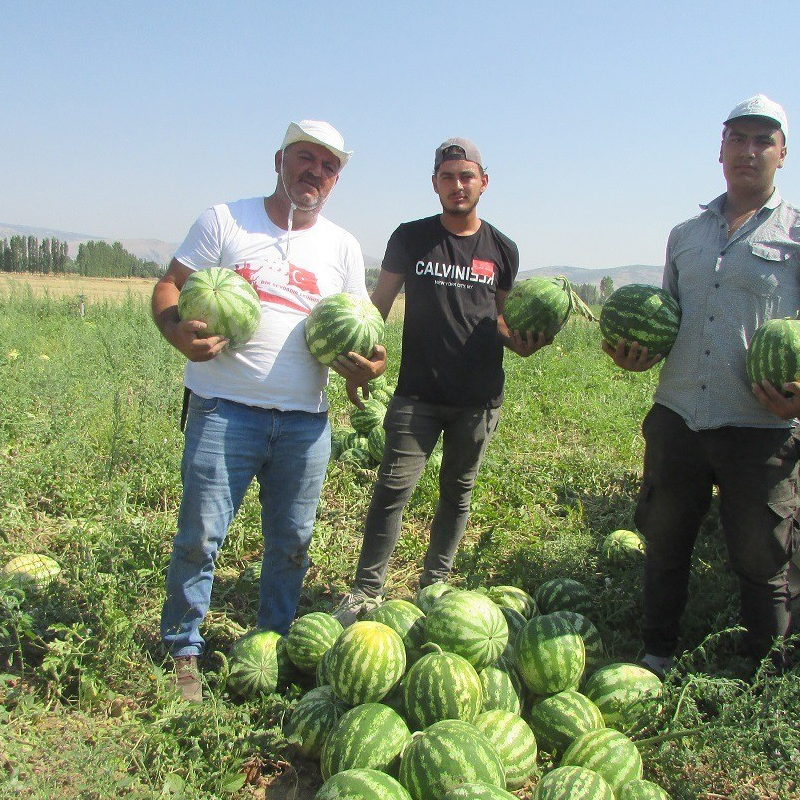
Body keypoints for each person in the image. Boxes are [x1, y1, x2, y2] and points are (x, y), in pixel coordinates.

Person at [604, 95, 800, 675]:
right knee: (665, 542)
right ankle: (658, 651)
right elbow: (665, 320)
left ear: (782, 154)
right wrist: (637, 358)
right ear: (720, 150)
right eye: (738, 139)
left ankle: (762, 670)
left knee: (761, 557)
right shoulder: (685, 235)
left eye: (762, 141)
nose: (749, 151)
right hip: (677, 416)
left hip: (759, 424)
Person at [152, 120, 384, 700]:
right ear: (279, 159)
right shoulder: (225, 220)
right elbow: (169, 288)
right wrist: (175, 332)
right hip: (224, 409)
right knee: (200, 536)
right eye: (306, 158)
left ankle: (273, 644)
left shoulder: (343, 247)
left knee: (292, 541)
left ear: (336, 179)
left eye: (329, 166)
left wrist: (369, 369)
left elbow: (364, 337)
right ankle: (183, 647)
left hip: (306, 420)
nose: (317, 172)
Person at [333, 138, 545, 624]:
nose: (457, 185)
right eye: (447, 177)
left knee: (459, 491)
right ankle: (367, 590)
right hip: (417, 394)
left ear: (483, 182)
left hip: (478, 398)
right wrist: (363, 359)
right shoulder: (411, 238)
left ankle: (436, 583)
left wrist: (524, 343)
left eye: (466, 176)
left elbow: (504, 323)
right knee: (392, 488)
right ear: (435, 184)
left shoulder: (502, 248)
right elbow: (375, 310)